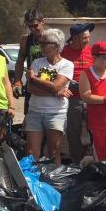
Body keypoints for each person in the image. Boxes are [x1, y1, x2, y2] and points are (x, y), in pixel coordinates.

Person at [24, 29, 73, 165]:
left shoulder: (67, 65)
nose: (41, 46)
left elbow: (55, 86)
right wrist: (56, 93)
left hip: (55, 113)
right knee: (32, 152)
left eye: (45, 43)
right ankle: (31, 180)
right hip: (35, 111)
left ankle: (55, 179)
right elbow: (30, 88)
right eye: (41, 43)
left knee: (53, 151)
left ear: (57, 46)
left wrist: (34, 78)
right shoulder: (37, 62)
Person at [60, 23, 95, 163]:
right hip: (72, 98)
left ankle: (95, 160)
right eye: (84, 38)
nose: (88, 40)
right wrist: (68, 84)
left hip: (91, 97)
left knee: (94, 130)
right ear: (74, 38)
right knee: (73, 132)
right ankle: (76, 162)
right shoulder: (63, 52)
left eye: (89, 37)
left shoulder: (92, 51)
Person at [13, 8, 46, 114]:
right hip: (32, 84)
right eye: (29, 26)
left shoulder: (52, 38)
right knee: (29, 117)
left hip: (50, 84)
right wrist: (17, 81)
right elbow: (19, 62)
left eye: (35, 25)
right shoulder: (25, 40)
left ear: (42, 22)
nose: (32, 29)